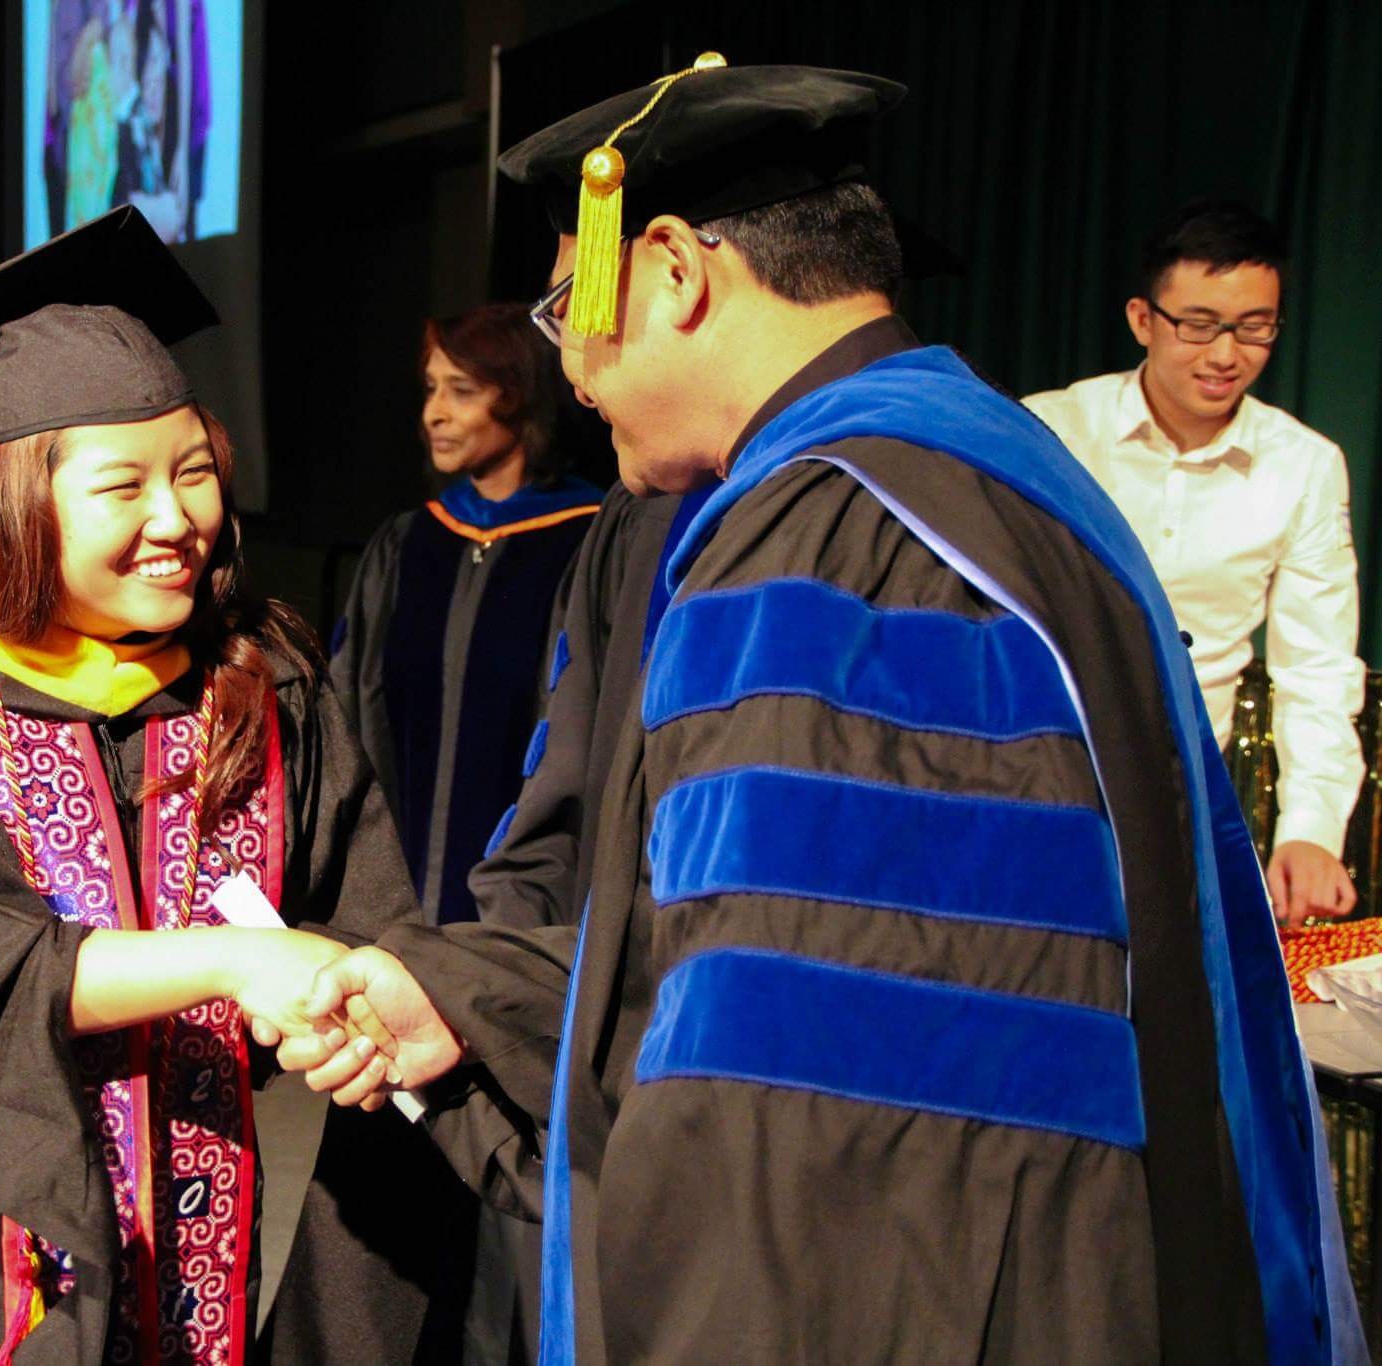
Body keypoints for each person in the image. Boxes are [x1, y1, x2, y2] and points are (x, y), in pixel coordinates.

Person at [276, 59, 1364, 1361]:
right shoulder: (986, 468)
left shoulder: (819, 540)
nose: (573, 370)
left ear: (673, 270)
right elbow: (775, 945)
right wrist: (465, 991)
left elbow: (796, 1101)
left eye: (572, 310)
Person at [0, 206, 435, 1364]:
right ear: (18, 503)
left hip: (197, 1225)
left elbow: (360, 918)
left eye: (194, 474)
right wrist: (232, 961)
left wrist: (355, 1009)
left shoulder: (256, 678)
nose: (176, 519)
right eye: (122, 487)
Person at [1025, 201, 1363, 925]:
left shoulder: (1304, 466)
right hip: (1028, 771)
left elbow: (1318, 667)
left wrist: (1310, 829)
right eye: (1200, 324)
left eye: (1253, 328)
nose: (1224, 355)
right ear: (1143, 320)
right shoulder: (1050, 430)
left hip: (1177, 798)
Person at [332, 303, 599, 927]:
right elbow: (351, 708)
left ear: (521, 396)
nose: (435, 414)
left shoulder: (585, 544)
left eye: (463, 391)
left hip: (530, 911)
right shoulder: (407, 544)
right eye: (430, 389)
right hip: (395, 897)